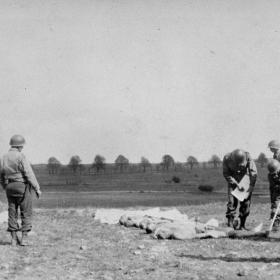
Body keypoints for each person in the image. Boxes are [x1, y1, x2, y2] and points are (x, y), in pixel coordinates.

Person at [0, 135, 41, 246]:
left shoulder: (4, 157)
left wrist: (5, 186)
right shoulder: (20, 156)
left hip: (10, 186)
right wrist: (37, 188)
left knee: (12, 212)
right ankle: (24, 239)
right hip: (21, 186)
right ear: (20, 146)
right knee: (26, 212)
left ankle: (13, 239)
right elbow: (29, 173)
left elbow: (1, 175)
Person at [223, 149, 257, 230]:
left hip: (245, 180)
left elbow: (253, 172)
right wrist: (236, 184)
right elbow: (226, 173)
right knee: (231, 203)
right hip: (233, 181)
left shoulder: (247, 156)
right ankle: (230, 225)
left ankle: (242, 225)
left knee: (246, 203)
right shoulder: (227, 158)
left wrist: (251, 186)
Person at [267, 159, 280, 231]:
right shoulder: (270, 176)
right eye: (273, 174)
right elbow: (272, 188)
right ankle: (275, 224)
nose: (274, 176)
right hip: (277, 193)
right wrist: (272, 201)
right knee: (275, 208)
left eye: (275, 173)